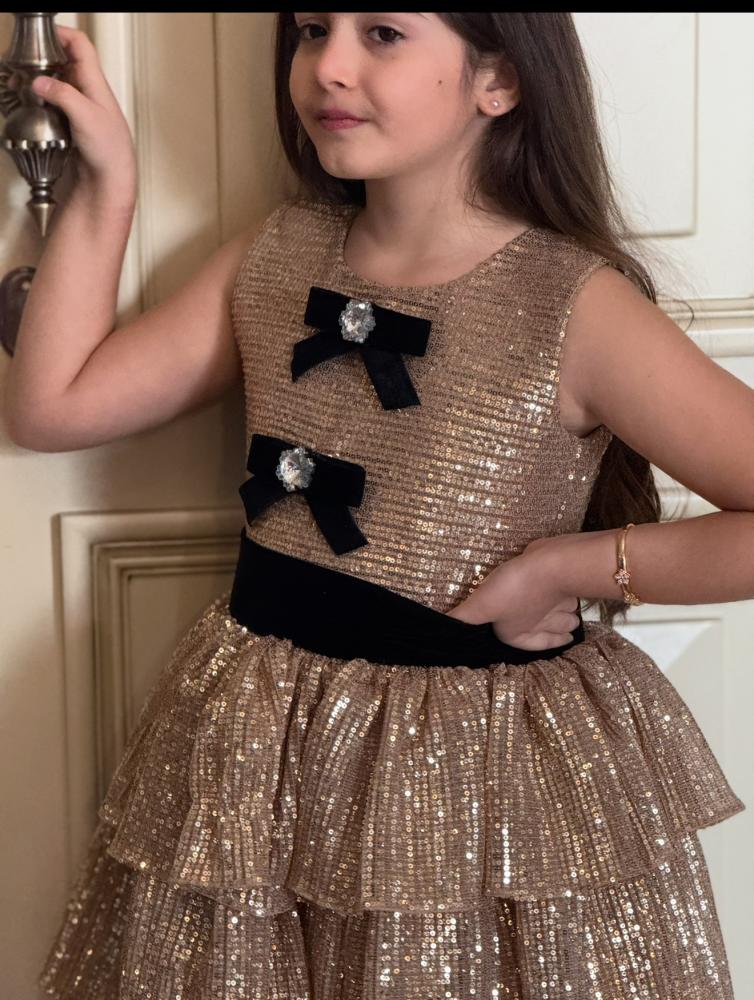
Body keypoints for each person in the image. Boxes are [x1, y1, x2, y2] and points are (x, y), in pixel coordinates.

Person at [10, 14, 750, 1000]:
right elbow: (54, 405)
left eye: (384, 32)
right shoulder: (277, 254)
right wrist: (109, 188)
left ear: (498, 80)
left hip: (467, 782)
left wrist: (567, 568)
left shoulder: (573, 307)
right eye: (313, 29)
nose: (329, 66)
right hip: (264, 759)